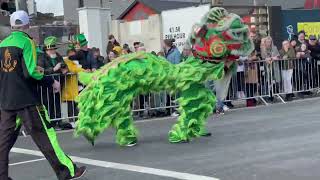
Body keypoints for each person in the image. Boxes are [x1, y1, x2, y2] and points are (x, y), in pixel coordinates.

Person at [0, 10, 86, 180]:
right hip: (26, 99)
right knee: (46, 136)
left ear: (12, 25)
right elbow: (31, 72)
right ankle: (66, 171)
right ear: (27, 25)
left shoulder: (2, 44)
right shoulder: (26, 41)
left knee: (3, 142)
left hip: (6, 99)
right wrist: (48, 80)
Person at [38, 36, 68, 126]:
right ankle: (49, 122)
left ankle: (58, 120)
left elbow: (64, 66)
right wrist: (54, 69)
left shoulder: (58, 56)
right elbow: (41, 71)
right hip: (47, 86)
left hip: (58, 84)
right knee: (48, 103)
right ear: (46, 49)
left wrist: (65, 70)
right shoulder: (41, 57)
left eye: (54, 49)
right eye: (51, 49)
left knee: (57, 102)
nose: (53, 51)